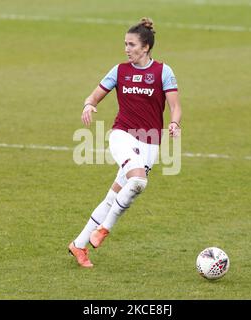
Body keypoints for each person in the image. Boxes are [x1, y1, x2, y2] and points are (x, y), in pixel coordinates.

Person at [68, 17, 182, 268]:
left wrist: (174, 123)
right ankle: (104, 230)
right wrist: (89, 104)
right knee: (138, 180)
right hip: (122, 135)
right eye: (125, 44)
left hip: (151, 142)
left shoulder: (163, 72)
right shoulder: (119, 71)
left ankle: (78, 245)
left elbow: (175, 106)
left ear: (145, 47)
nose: (127, 49)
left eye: (131, 44)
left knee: (116, 196)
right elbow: (95, 95)